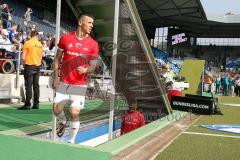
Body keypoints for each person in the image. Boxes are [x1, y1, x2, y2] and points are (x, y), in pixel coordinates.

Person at [52, 13, 99, 143]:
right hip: (64, 83)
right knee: (56, 110)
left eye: (92, 23)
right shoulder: (65, 39)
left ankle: (71, 141)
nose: (91, 26)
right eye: (89, 23)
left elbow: (93, 66)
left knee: (74, 113)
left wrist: (86, 69)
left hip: (80, 85)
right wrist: (56, 77)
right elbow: (57, 59)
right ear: (80, 23)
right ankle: (62, 120)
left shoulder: (93, 44)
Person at [18, 31, 43, 110]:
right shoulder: (40, 45)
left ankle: (27, 104)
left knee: (28, 86)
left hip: (29, 66)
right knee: (36, 85)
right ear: (37, 36)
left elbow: (23, 56)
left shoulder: (27, 43)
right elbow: (41, 56)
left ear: (31, 35)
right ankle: (36, 104)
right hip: (38, 66)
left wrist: (23, 63)